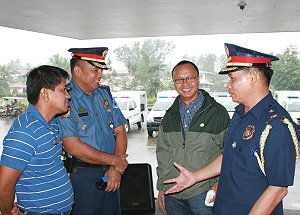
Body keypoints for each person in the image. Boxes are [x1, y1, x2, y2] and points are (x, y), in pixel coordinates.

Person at [164, 43, 300, 215]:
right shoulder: (240, 113)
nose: (228, 85)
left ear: (252, 78)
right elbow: (228, 156)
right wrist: (194, 177)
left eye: (232, 78)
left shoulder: (276, 125)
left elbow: (278, 189)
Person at [58, 47, 128, 215]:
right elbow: (72, 146)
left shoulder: (105, 95)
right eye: (95, 70)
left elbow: (120, 131)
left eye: (101, 70)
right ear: (77, 70)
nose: (100, 75)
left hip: (112, 173)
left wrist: (115, 168)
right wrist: (116, 162)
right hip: (84, 176)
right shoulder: (66, 99)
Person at [156, 60, 230, 215]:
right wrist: (162, 187)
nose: (185, 84)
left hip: (202, 190)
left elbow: (228, 152)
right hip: (173, 191)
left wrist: (219, 182)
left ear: (198, 79)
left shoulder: (217, 113)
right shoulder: (169, 115)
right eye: (179, 80)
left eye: (190, 78)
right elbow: (162, 153)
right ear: (174, 83)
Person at [0, 65, 74, 215]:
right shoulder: (25, 132)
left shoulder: (51, 123)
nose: (68, 95)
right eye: (63, 90)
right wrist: (7, 212)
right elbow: (4, 186)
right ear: (45, 94)